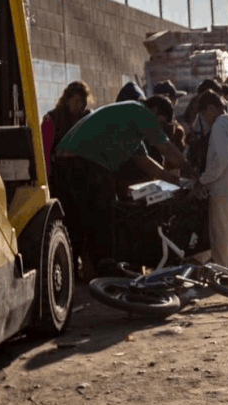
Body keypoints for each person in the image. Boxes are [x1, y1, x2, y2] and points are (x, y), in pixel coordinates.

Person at [51, 99, 194, 274]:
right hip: (85, 162)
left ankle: (73, 273)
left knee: (77, 220)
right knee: (104, 217)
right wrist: (190, 171)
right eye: (160, 123)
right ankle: (103, 272)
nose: (158, 129)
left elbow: (149, 166)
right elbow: (165, 147)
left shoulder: (129, 126)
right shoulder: (141, 111)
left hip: (64, 162)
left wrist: (179, 183)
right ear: (154, 110)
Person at [195, 91, 228, 270]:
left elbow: (221, 159)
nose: (204, 119)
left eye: (203, 114)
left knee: (220, 236)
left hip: (221, 188)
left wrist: (203, 180)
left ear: (211, 108)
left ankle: (220, 271)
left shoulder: (218, 127)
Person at [41, 81, 92, 180]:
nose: (80, 105)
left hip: (83, 176)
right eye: (77, 101)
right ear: (67, 100)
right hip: (60, 176)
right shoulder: (52, 119)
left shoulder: (86, 118)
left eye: (83, 101)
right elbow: (45, 153)